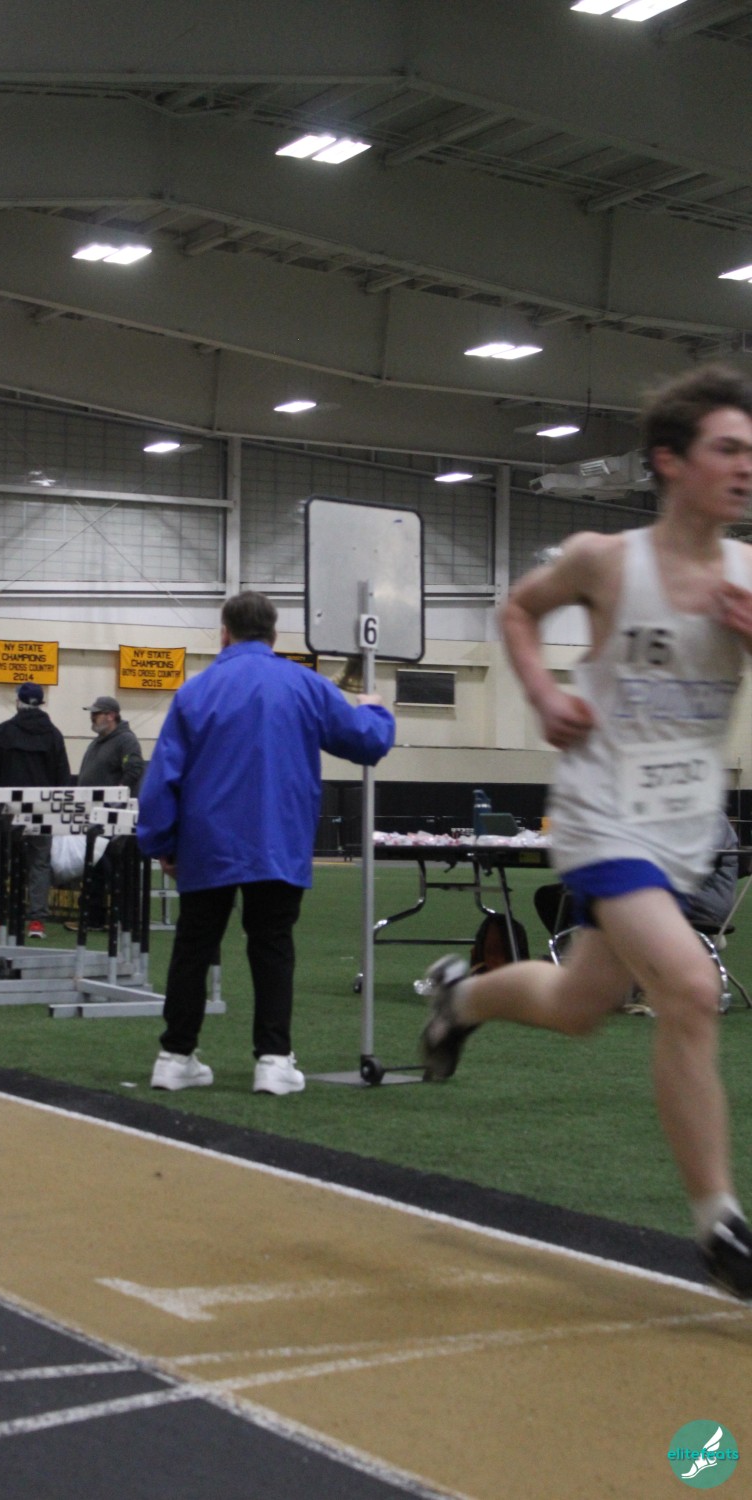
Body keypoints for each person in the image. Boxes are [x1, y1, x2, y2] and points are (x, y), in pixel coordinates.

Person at [420, 363, 752, 1300]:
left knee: (579, 1005)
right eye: (727, 449)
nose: (746, 467)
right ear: (671, 461)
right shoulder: (607, 560)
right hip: (604, 811)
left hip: (685, 822)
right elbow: (518, 611)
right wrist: (542, 692)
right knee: (690, 987)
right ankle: (721, 1225)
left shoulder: (747, 574)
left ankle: (461, 998)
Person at [137, 590, 395, 1095]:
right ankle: (273, 1061)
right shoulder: (304, 684)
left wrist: (162, 842)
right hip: (277, 839)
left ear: (224, 633)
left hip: (207, 842)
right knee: (273, 946)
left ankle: (174, 1056)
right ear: (275, 635)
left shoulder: (195, 691)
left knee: (194, 946)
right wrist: (375, 709)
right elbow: (366, 742)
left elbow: (164, 775)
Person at [0, 682, 71, 939]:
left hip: (7, 809)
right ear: (41, 703)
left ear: (18, 701)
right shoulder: (53, 734)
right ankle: (36, 921)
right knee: (39, 864)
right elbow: (63, 777)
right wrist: (58, 812)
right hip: (42, 810)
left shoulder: (4, 732)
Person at [74, 695, 145, 928]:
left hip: (114, 818)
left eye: (97, 713)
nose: (92, 717)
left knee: (118, 870)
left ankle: (124, 919)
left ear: (111, 715)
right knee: (95, 869)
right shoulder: (99, 742)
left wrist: (116, 800)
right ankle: (95, 918)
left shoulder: (126, 740)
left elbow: (134, 769)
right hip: (94, 816)